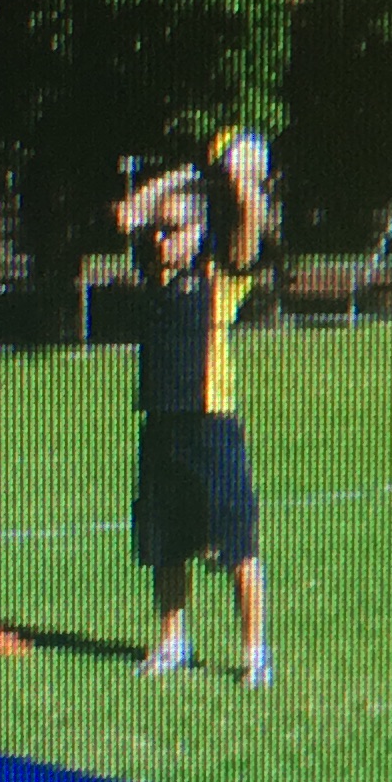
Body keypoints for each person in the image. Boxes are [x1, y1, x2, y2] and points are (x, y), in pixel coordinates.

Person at [116, 128, 277, 687]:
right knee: (166, 544)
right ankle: (171, 642)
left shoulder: (222, 274)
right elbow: (126, 215)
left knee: (237, 544)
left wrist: (233, 176)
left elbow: (251, 227)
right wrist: (188, 173)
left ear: (201, 230)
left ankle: (255, 653)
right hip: (162, 423)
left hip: (213, 427)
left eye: (176, 230)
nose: (163, 240)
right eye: (160, 231)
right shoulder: (155, 272)